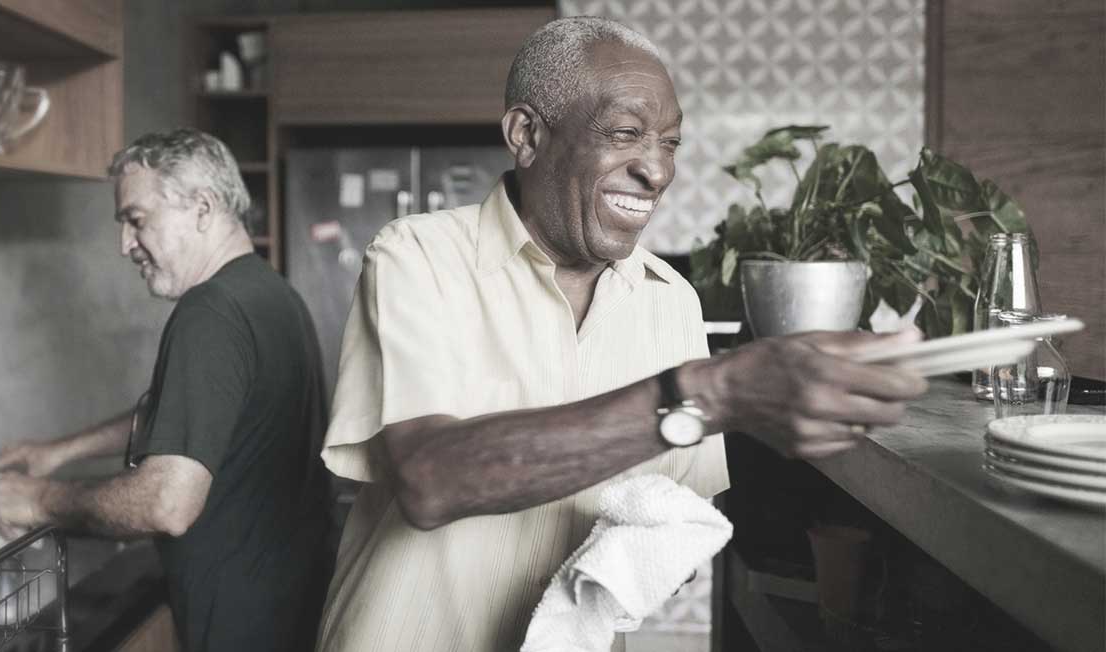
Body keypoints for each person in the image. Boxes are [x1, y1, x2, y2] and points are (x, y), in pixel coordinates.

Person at [313, 17, 929, 652]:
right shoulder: (417, 257)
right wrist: (707, 393)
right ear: (528, 135)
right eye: (626, 134)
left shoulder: (671, 303)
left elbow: (680, 532)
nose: (657, 171)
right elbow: (428, 479)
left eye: (669, 143)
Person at [0, 128, 335, 652]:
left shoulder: (209, 313)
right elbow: (189, 412)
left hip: (241, 625)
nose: (124, 246)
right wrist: (57, 453)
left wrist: (36, 500)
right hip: (292, 606)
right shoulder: (268, 292)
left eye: (136, 221)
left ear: (203, 208)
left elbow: (167, 502)